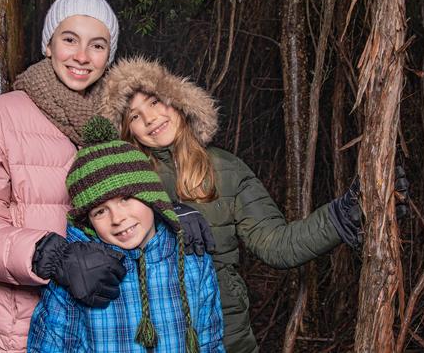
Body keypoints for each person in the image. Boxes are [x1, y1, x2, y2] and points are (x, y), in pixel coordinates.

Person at [99, 57, 371, 352]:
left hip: (227, 331)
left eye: (154, 102)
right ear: (127, 130)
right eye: (135, 116)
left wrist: (342, 216)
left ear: (177, 99)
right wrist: (165, 218)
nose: (150, 119)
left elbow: (276, 244)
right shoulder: (123, 180)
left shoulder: (227, 169)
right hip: (151, 335)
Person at [0, 0, 127, 352]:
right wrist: (51, 256)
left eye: (98, 45)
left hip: (94, 329)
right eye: (69, 39)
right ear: (48, 44)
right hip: (9, 332)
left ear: (109, 56)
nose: (82, 56)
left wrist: (174, 216)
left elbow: (134, 205)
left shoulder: (113, 127)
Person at [27, 116, 225, 353]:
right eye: (100, 211)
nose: (117, 218)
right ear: (87, 222)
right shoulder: (77, 277)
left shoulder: (192, 259)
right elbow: (52, 347)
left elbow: (210, 342)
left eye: (126, 199)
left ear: (151, 195)